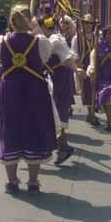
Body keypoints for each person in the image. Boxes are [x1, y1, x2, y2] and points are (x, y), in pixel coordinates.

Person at [0, 5, 57, 195]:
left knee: (10, 130)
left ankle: (12, 181)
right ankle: (32, 182)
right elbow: (45, 58)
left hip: (10, 90)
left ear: (11, 22)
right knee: (34, 129)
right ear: (31, 21)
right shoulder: (40, 42)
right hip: (34, 90)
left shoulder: (2, 41)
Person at [38, 16, 79, 165]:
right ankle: (60, 147)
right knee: (50, 114)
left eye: (38, 26)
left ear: (45, 27)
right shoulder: (50, 38)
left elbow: (67, 58)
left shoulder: (54, 40)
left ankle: (60, 147)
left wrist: (76, 70)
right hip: (55, 78)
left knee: (52, 113)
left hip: (58, 79)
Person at [71, 14, 100, 126]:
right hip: (84, 65)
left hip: (94, 65)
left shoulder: (96, 36)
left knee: (95, 88)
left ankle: (93, 110)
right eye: (86, 23)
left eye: (91, 23)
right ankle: (90, 112)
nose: (88, 25)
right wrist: (78, 65)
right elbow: (74, 53)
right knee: (87, 90)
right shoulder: (76, 38)